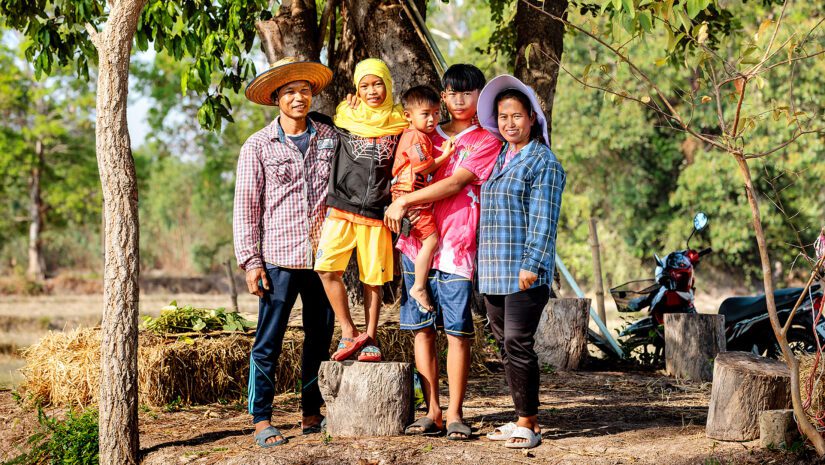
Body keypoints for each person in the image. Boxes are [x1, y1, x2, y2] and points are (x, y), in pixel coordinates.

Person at [384, 64, 502, 440]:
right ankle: (431, 410)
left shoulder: (487, 139)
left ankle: (454, 412)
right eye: (451, 93)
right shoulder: (425, 130)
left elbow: (455, 183)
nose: (458, 100)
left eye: (467, 92)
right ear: (443, 96)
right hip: (415, 243)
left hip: (456, 244)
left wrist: (403, 202)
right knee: (421, 330)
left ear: (480, 96)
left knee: (457, 332)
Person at [234, 57, 338, 448]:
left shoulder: (329, 138)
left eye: (305, 90)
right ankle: (261, 419)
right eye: (291, 91)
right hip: (277, 258)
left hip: (323, 259)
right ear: (277, 98)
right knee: (269, 339)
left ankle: (312, 412)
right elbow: (246, 207)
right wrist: (251, 262)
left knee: (319, 336)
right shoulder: (258, 145)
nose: (299, 97)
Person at [476, 75, 566, 449]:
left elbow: (544, 220)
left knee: (517, 340)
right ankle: (519, 418)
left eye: (516, 116)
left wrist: (531, 264)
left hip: (524, 271)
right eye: (502, 116)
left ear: (532, 118)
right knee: (504, 343)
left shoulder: (543, 162)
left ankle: (529, 422)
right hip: (493, 268)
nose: (509, 123)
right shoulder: (499, 156)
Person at [314, 58, 407, 362]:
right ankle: (348, 332)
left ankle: (370, 338)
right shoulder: (345, 116)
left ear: (388, 85)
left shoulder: (401, 123)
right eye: (364, 85)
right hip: (341, 205)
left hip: (377, 212)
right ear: (356, 89)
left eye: (378, 83)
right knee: (326, 267)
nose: (372, 91)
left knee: (373, 278)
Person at [390, 85, 455, 312]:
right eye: (425, 114)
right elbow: (424, 166)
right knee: (431, 241)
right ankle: (418, 286)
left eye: (436, 113)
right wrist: (445, 156)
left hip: (411, 195)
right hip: (408, 195)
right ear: (408, 116)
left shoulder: (418, 135)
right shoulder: (415, 137)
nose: (432, 119)